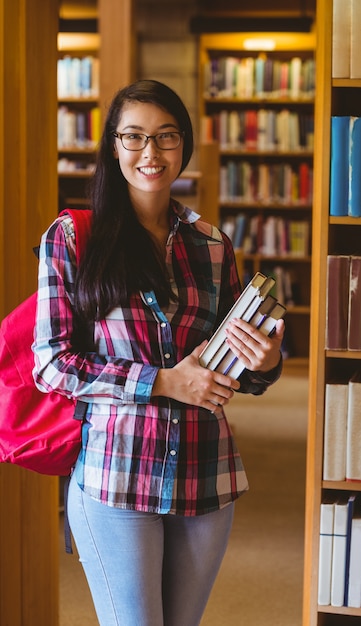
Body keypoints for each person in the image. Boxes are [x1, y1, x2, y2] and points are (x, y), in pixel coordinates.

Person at [33, 79, 285, 626]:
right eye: (135, 136)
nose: (152, 153)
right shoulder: (73, 239)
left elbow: (229, 365)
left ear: (185, 145)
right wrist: (163, 381)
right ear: (113, 145)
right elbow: (51, 366)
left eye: (167, 137)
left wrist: (264, 363)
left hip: (205, 473)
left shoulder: (212, 245)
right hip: (116, 474)